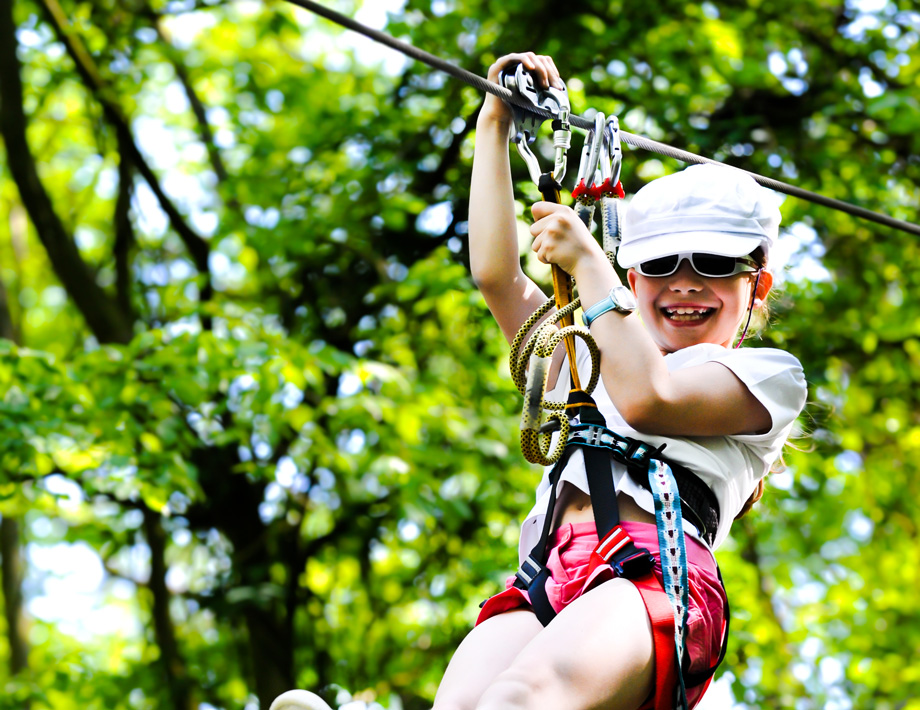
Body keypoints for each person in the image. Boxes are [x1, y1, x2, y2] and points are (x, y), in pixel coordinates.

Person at [430, 52, 808, 710]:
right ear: (633, 278)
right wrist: (494, 121)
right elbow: (497, 277)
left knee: (519, 698)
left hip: (655, 569)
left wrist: (588, 260)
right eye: (661, 263)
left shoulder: (765, 378)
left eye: (715, 265)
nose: (686, 281)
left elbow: (651, 398)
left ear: (758, 287)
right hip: (547, 572)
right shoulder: (586, 351)